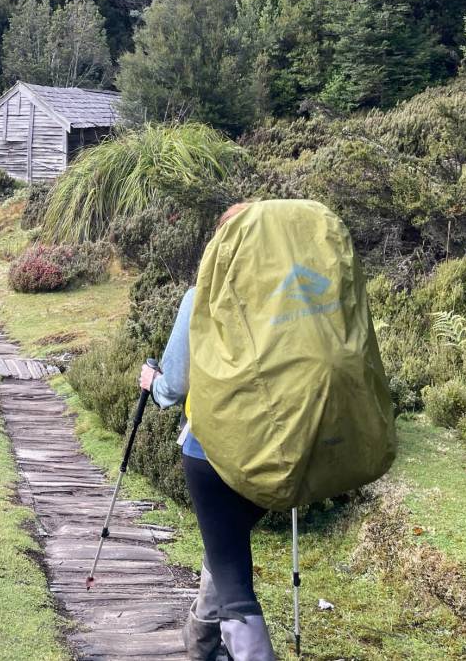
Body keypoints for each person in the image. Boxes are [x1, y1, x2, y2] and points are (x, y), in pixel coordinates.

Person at [139, 202, 277, 661]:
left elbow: (176, 384)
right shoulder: (290, 300)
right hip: (279, 449)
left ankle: (216, 643)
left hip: (211, 451)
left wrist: (152, 386)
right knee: (226, 546)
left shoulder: (201, 297)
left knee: (231, 567)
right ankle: (200, 640)